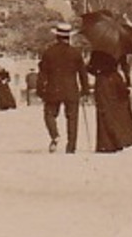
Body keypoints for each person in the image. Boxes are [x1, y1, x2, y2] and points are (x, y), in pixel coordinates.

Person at [84, 11, 132, 153]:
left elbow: (91, 69)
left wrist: (86, 66)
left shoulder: (97, 51)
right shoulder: (119, 46)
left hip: (103, 80)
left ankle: (106, 144)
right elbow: (125, 66)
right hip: (116, 80)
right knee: (117, 111)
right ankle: (120, 141)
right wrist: (128, 83)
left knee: (104, 111)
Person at [37, 24, 91, 154]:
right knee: (72, 118)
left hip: (53, 89)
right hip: (71, 89)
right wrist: (85, 90)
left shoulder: (49, 52)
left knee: (49, 114)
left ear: (56, 36)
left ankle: (55, 135)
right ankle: (71, 147)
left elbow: (42, 73)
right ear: (68, 37)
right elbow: (82, 73)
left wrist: (40, 90)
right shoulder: (75, 53)